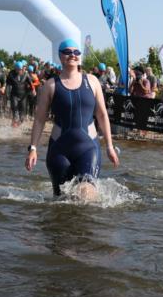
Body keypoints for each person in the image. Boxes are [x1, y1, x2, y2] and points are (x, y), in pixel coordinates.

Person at [26, 39, 118, 199]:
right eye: (68, 52)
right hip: (59, 151)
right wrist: (33, 149)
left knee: (86, 193)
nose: (72, 55)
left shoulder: (92, 81)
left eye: (76, 52)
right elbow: (40, 119)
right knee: (62, 201)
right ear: (60, 56)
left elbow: (102, 115)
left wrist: (109, 146)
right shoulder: (50, 85)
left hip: (88, 148)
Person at [6, 61, 30, 127]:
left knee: (22, 117)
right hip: (14, 95)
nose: (19, 71)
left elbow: (31, 84)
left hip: (23, 96)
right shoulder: (11, 74)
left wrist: (33, 90)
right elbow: (8, 85)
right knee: (15, 113)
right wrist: (7, 95)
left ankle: (17, 126)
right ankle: (13, 127)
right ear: (15, 69)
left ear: (22, 69)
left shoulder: (26, 74)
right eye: (17, 70)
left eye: (20, 69)